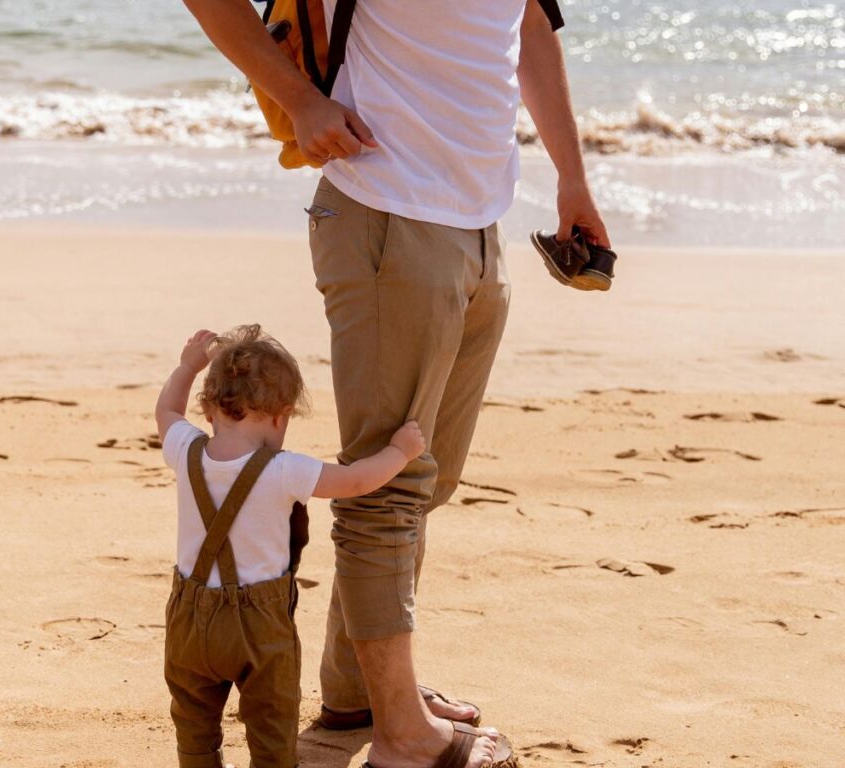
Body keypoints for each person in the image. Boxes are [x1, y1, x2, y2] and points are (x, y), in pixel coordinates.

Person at [183, 2, 612, 766]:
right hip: (385, 209)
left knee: (423, 481)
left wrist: (572, 179)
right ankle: (403, 737)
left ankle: (361, 695)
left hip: (481, 219)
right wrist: (302, 99)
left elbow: (530, 29)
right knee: (384, 490)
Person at [156, 325, 426, 768]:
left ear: (208, 410)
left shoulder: (185, 450)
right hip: (258, 628)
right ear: (281, 416)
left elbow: (166, 410)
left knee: (194, 717)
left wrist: (187, 366)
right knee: (271, 716)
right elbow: (357, 481)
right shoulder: (284, 470)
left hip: (188, 618)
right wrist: (400, 451)